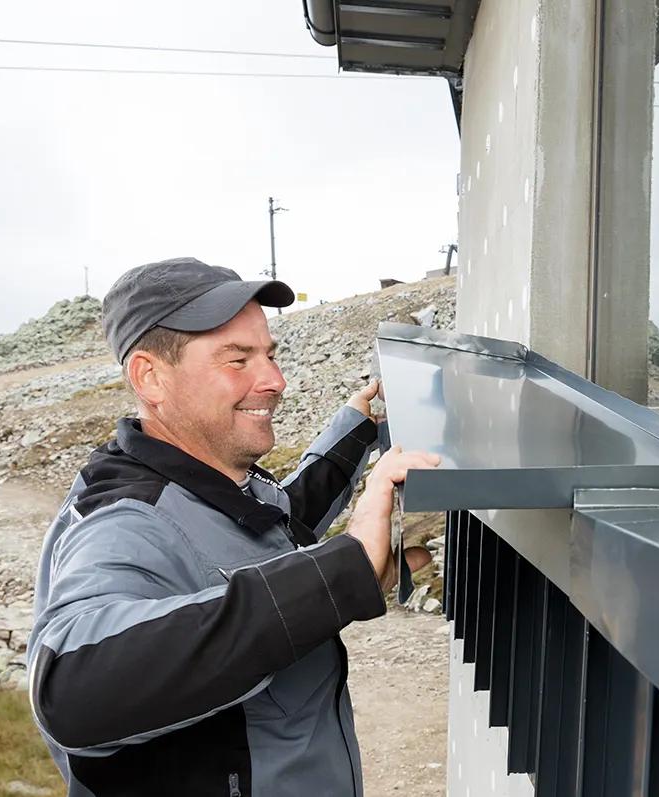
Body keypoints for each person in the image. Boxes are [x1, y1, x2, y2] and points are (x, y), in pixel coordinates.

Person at [26, 257, 440, 796]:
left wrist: (356, 430)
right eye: (237, 359)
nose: (275, 380)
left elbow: (269, 535)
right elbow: (70, 691)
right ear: (150, 376)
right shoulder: (124, 520)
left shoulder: (215, 478)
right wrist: (343, 570)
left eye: (269, 354)